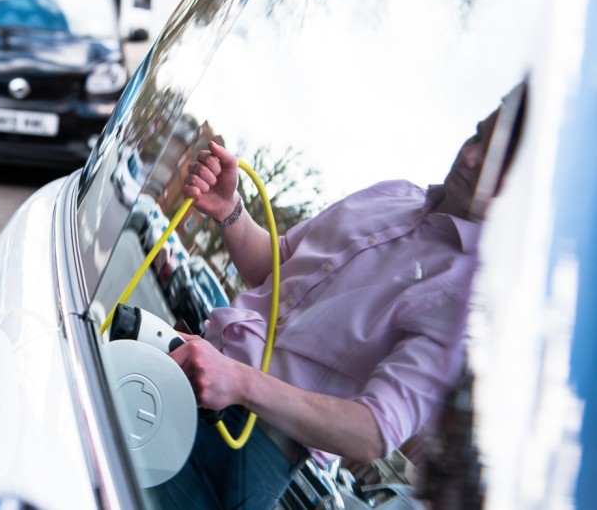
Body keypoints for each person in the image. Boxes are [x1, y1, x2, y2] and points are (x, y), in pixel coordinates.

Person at [158, 99, 521, 508]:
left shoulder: (470, 306)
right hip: (191, 370)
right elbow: (276, 268)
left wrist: (238, 380)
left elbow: (373, 430)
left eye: (492, 156)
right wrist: (230, 210)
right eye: (477, 134)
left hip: (245, 451)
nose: (470, 156)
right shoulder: (392, 193)